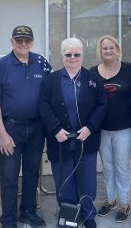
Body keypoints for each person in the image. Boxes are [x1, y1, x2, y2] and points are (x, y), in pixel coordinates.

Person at [39, 38, 107, 228]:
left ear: (82, 56)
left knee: (87, 181)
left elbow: (102, 105)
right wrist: (55, 129)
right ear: (62, 57)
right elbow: (43, 106)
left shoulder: (92, 79)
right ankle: (68, 215)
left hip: (86, 140)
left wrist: (90, 128)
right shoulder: (51, 80)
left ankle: (87, 215)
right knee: (64, 181)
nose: (73, 58)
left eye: (77, 54)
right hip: (59, 141)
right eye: (68, 54)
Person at [0, 25, 52, 228]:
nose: (23, 44)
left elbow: (51, 93)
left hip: (36, 128)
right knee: (9, 175)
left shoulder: (41, 62)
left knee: (32, 173)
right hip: (11, 129)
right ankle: (8, 218)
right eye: (19, 40)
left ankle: (27, 212)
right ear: (12, 41)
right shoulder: (1, 65)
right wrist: (1, 133)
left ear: (32, 42)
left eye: (27, 40)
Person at [90, 35, 131, 223]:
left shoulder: (130, 70)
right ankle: (110, 200)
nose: (108, 51)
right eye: (105, 48)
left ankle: (124, 203)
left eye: (111, 48)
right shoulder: (93, 72)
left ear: (117, 49)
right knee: (107, 166)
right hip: (102, 129)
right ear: (100, 51)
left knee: (122, 166)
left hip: (125, 128)